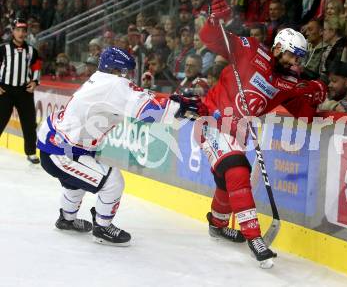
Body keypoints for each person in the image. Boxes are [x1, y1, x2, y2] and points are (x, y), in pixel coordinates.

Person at [198, 0, 327, 266]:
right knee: (237, 170)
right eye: (293, 55)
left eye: (299, 59)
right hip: (212, 120)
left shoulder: (288, 82)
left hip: (238, 132)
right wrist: (213, 20)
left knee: (227, 181)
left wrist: (315, 93)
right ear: (279, 47)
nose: (295, 62)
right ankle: (254, 237)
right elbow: (211, 39)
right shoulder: (250, 49)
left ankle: (218, 224)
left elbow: (305, 114)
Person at [37, 47, 206, 246]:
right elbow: (147, 109)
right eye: (124, 72)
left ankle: (66, 219)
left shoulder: (101, 80)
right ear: (115, 70)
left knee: (75, 183)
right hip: (62, 151)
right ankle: (102, 226)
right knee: (112, 182)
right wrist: (181, 107)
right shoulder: (113, 85)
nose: (127, 77)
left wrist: (171, 102)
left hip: (56, 145)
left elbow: (138, 98)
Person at [0, 18, 41, 164]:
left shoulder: (31, 51)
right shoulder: (3, 49)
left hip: (24, 92)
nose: (21, 33)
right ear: (13, 32)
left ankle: (31, 152)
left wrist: (35, 82)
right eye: (18, 30)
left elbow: (36, 67)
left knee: (29, 123)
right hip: (5, 91)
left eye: (24, 30)